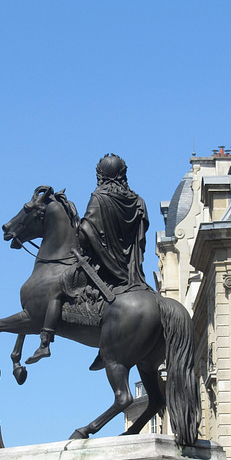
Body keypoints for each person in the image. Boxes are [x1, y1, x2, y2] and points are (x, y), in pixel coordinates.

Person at [25, 153, 150, 365]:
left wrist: (83, 242)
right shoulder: (138, 201)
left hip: (101, 265)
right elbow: (140, 237)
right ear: (123, 174)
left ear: (101, 174)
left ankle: (45, 343)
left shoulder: (99, 198)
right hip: (130, 271)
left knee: (56, 290)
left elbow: (85, 230)